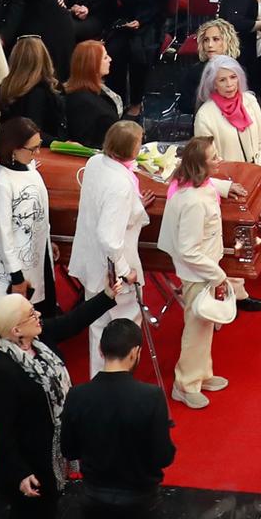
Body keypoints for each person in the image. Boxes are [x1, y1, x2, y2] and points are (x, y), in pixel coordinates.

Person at [0, 282, 124, 518]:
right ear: (16, 331)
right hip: (30, 466)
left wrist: (107, 295)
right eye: (31, 314)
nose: (38, 315)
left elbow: (73, 322)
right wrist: (20, 473)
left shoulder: (39, 339)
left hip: (52, 452)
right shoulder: (1, 373)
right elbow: (2, 432)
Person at [156, 134, 247, 405]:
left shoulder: (199, 185)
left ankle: (201, 373)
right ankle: (185, 384)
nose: (219, 160)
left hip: (205, 268)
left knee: (204, 325)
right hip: (200, 271)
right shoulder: (193, 201)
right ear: (200, 165)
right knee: (196, 328)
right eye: (214, 158)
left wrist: (225, 187)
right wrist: (217, 275)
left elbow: (209, 186)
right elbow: (189, 250)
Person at [63, 316, 180, 510]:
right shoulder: (150, 396)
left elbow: (69, 450)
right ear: (135, 352)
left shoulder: (77, 395)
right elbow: (163, 456)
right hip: (140, 498)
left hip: (94, 496)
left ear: (101, 351)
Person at [71, 119, 152, 366]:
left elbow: (102, 202)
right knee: (123, 330)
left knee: (97, 325)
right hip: (114, 272)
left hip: (90, 261)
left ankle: (100, 381)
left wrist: (134, 204)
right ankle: (119, 385)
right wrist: (126, 271)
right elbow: (109, 236)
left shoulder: (95, 162)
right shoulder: (120, 185)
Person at [0, 115, 56, 311]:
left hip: (39, 254)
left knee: (45, 311)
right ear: (13, 148)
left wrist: (48, 239)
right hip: (17, 265)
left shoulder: (29, 167)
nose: (37, 152)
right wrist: (16, 276)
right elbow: (3, 234)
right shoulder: (1, 183)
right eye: (32, 148)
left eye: (38, 145)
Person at [65, 41, 124, 149]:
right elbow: (84, 142)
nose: (110, 59)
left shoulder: (99, 89)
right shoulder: (82, 101)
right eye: (105, 57)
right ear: (93, 64)